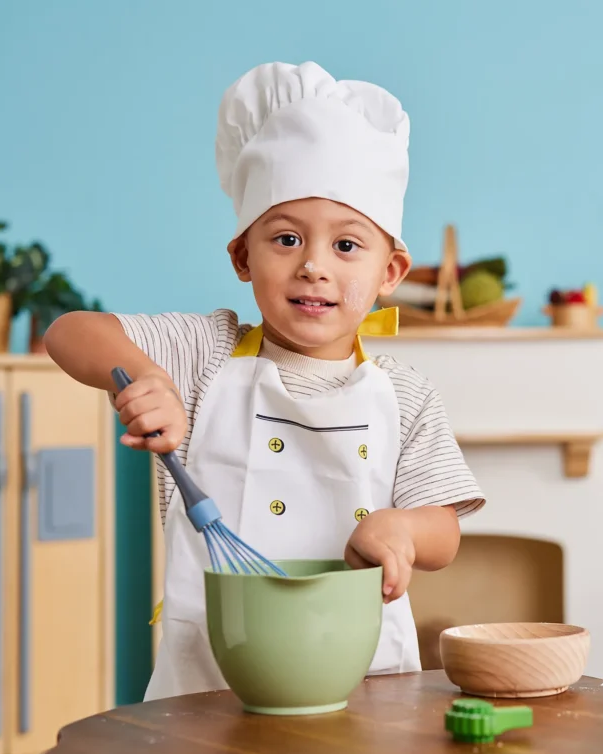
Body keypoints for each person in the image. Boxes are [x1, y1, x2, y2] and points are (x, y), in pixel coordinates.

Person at [44, 60, 485, 701]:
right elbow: (70, 330)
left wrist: (401, 529)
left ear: (390, 271)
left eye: (346, 246)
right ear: (243, 257)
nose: (313, 266)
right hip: (210, 689)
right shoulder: (206, 352)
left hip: (362, 681)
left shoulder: (405, 393)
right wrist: (146, 378)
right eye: (285, 239)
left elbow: (444, 531)